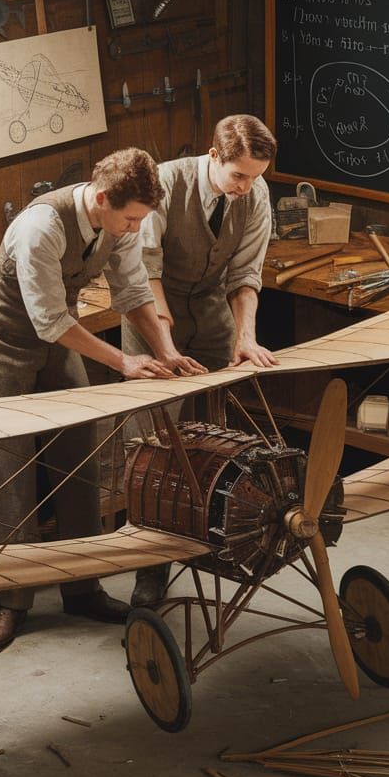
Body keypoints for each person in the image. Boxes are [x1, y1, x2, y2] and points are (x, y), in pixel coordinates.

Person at [0, 148, 205, 653]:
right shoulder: (41, 226)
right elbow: (47, 321)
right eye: (130, 218)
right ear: (101, 198)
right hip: (7, 336)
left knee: (79, 453)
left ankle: (83, 587)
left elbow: (132, 290)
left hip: (62, 336)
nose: (135, 228)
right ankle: (11, 602)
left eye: (141, 219)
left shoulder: (123, 221)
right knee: (10, 464)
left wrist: (167, 351)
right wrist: (124, 363)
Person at [123, 115, 279, 609]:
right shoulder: (164, 184)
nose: (246, 186)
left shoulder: (254, 193)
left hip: (210, 310)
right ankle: (149, 572)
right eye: (238, 175)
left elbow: (246, 276)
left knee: (215, 435)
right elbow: (145, 273)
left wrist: (245, 340)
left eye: (256, 176)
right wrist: (165, 350)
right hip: (152, 310)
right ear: (213, 157)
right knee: (153, 444)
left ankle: (216, 542)